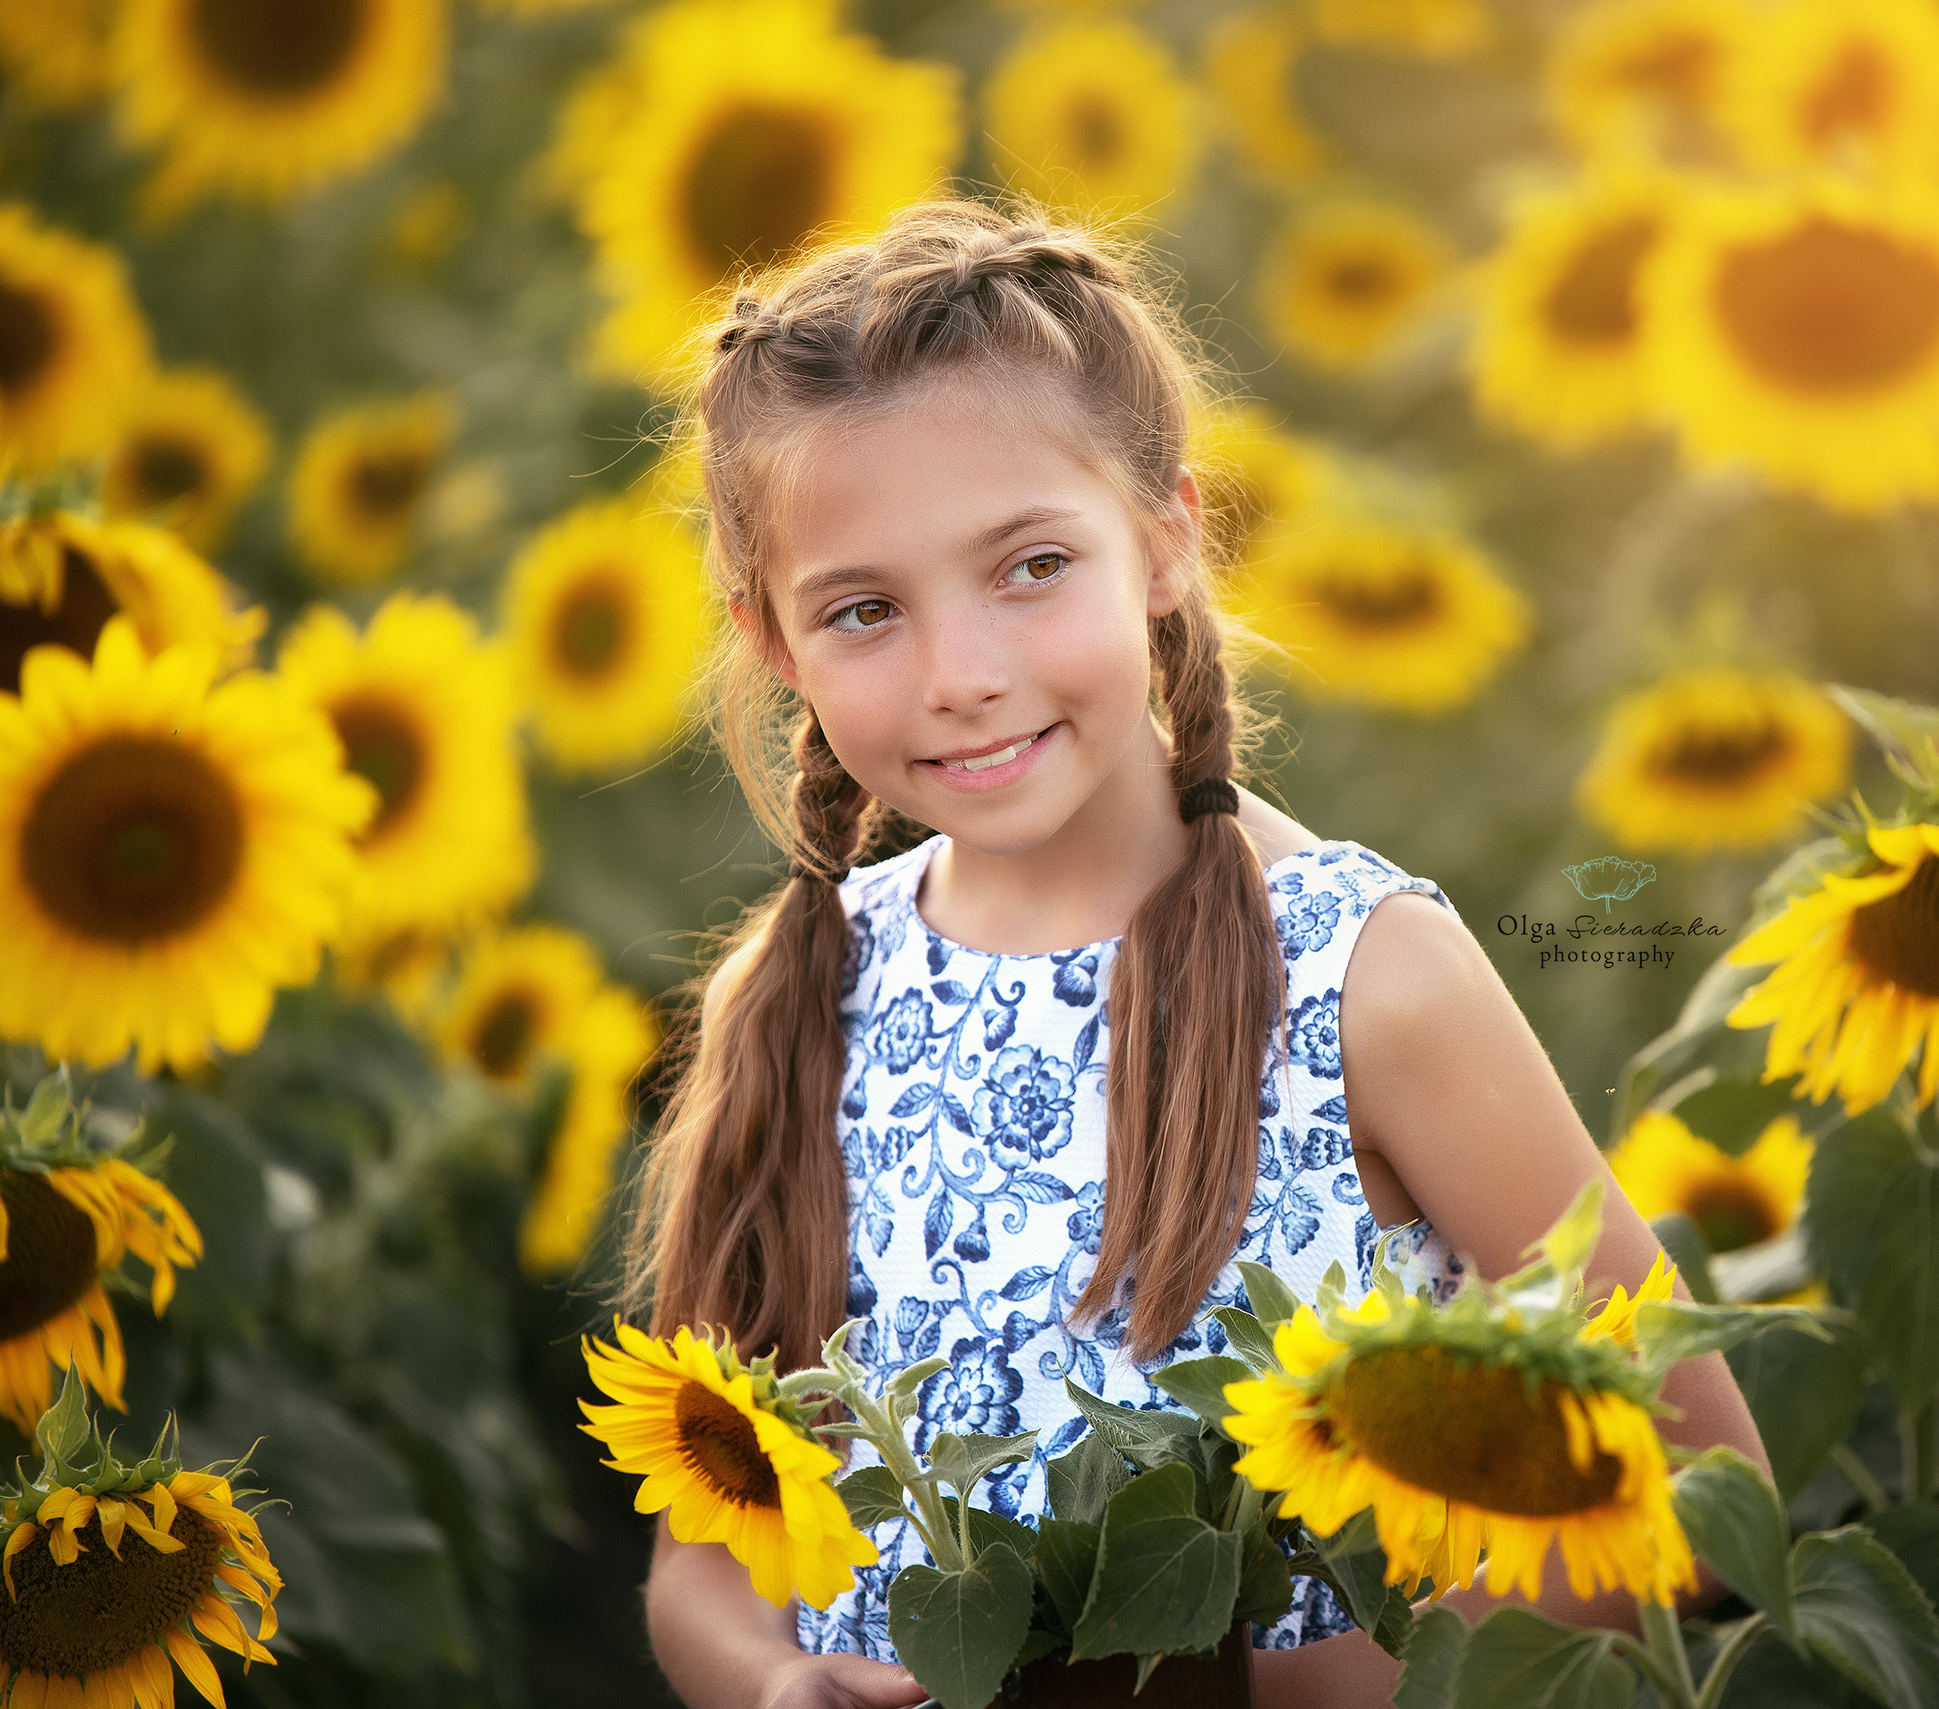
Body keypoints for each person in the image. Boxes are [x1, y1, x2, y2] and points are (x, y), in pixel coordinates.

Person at [623, 196, 1770, 1709]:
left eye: (1032, 566)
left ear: (1167, 540)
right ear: (773, 642)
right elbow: (701, 1553)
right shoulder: (802, 994)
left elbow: (1713, 1492)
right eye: (863, 610)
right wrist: (771, 1683)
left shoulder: (1366, 978)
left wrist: (1382, 1632)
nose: (964, 675)